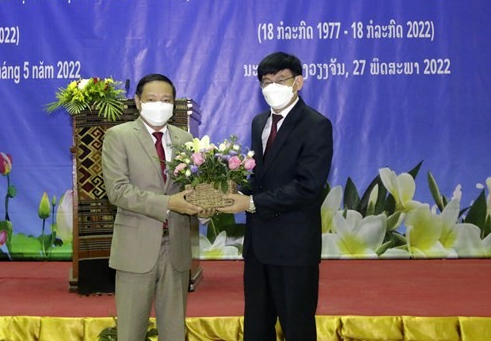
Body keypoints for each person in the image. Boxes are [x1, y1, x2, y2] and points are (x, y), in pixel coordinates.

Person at [219, 51, 333, 341]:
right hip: (258, 246)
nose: (272, 87)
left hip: (294, 246)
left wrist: (253, 203)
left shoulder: (316, 125)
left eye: (280, 80)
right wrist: (233, 192)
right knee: (257, 326)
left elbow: (308, 186)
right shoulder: (260, 122)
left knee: (297, 326)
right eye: (265, 82)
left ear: (298, 83)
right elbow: (261, 178)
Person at [101, 73, 203, 340]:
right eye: (152, 99)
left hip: (176, 248)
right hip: (136, 249)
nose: (160, 105)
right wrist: (169, 203)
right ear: (138, 101)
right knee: (131, 332)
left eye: (166, 100)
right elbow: (118, 191)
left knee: (174, 332)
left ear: (174, 104)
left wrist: (206, 203)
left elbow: (191, 188)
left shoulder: (184, 139)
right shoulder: (118, 136)